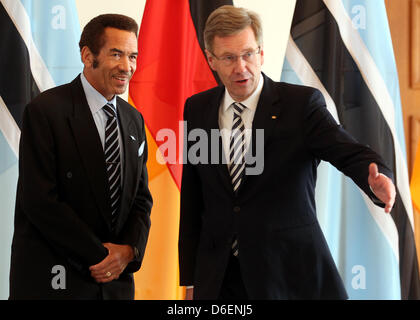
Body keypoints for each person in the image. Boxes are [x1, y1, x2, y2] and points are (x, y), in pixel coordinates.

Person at [178, 5, 396, 300]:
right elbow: (193, 200)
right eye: (229, 58)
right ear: (211, 60)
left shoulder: (300, 104)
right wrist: (190, 281)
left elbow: (344, 148)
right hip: (220, 276)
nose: (241, 67)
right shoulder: (197, 108)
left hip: (287, 272)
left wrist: (376, 176)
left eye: (248, 54)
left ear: (261, 53)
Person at [9, 14, 153, 299]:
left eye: (133, 56)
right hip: (56, 281)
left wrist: (129, 251)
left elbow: (141, 198)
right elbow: (40, 201)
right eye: (116, 54)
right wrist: (102, 257)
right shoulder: (45, 111)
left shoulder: (133, 119)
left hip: (115, 285)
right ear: (88, 56)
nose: (127, 66)